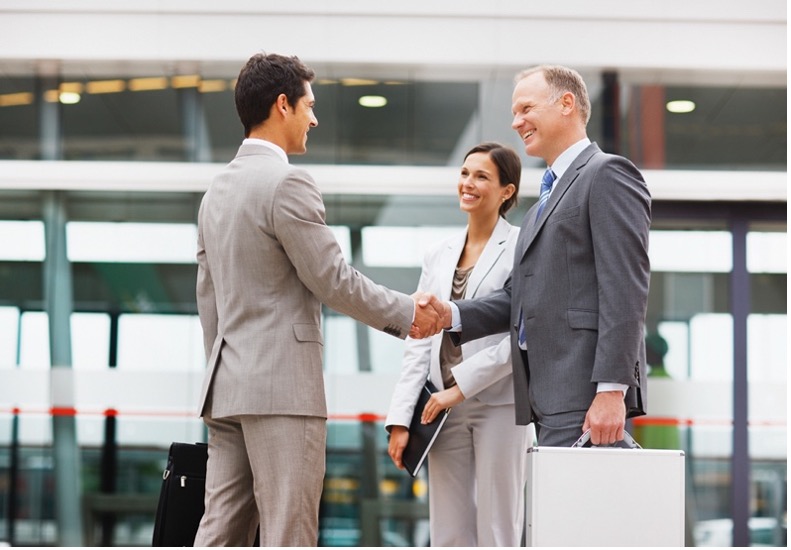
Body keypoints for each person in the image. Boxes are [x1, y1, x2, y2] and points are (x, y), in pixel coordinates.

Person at [193, 52, 442, 547]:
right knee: (289, 532)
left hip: (228, 386)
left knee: (220, 531)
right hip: (282, 389)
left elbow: (209, 298)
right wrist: (407, 313)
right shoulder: (287, 182)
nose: (314, 118)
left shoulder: (216, 191)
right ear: (282, 105)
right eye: (309, 106)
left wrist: (226, 368)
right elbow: (332, 279)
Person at [423, 64, 651, 447]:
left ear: (566, 104)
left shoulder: (607, 174)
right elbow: (519, 298)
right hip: (546, 397)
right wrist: (451, 314)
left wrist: (612, 390)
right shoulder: (538, 208)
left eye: (526, 109)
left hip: (585, 393)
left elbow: (625, 289)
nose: (516, 122)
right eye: (515, 112)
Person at [385, 143, 529, 546]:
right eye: (465, 173)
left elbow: (521, 332)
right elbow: (419, 341)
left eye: (482, 176)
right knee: (448, 531)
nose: (468, 183)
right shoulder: (438, 253)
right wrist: (401, 419)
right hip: (439, 407)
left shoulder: (522, 247)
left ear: (506, 191)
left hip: (498, 404)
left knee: (497, 529)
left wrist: (461, 387)